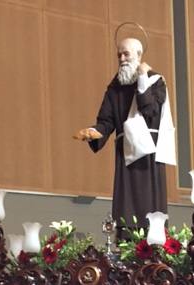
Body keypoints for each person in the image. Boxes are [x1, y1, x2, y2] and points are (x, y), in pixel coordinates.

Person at [76, 37, 176, 229]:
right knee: (126, 205)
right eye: (119, 55)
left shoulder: (155, 81)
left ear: (139, 55)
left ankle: (152, 242)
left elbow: (149, 110)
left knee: (149, 205)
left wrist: (143, 78)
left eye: (126, 54)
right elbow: (106, 121)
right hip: (126, 153)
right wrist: (94, 132)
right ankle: (125, 240)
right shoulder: (114, 89)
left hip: (149, 153)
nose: (121, 59)